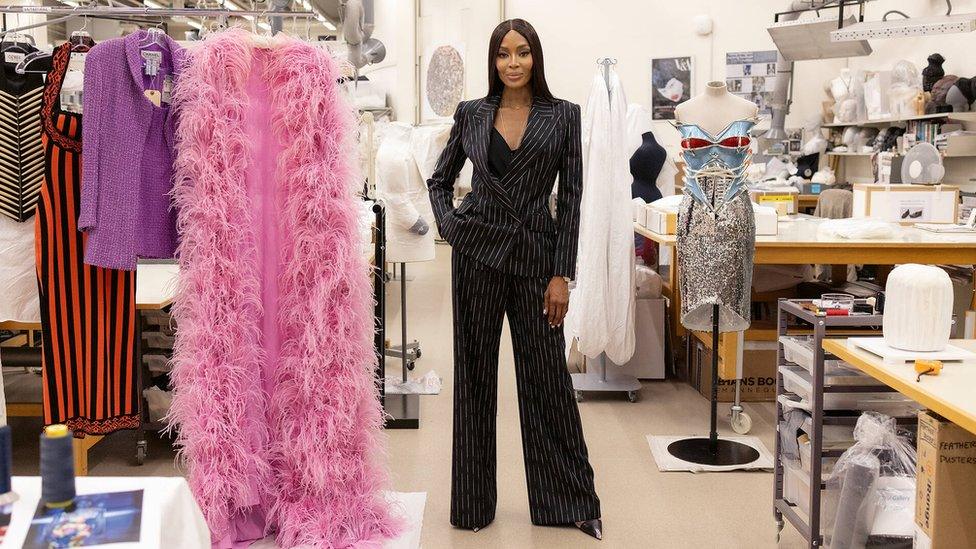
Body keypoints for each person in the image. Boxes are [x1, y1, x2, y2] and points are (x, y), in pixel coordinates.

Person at [427, 18, 602, 540]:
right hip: (477, 256)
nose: (513, 63)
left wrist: (562, 275)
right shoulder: (472, 113)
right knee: (475, 379)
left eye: (522, 53)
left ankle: (566, 501)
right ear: (493, 61)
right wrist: (452, 227)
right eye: (504, 54)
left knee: (546, 380)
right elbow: (439, 178)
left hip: (534, 262)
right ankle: (473, 506)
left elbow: (570, 200)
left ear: (536, 58)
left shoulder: (563, 116)